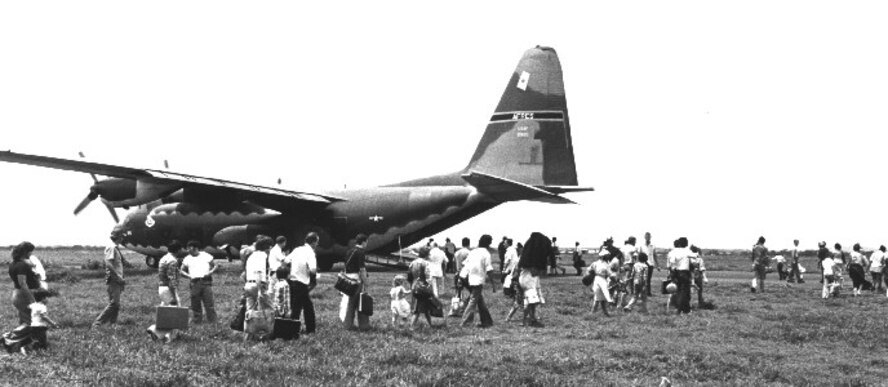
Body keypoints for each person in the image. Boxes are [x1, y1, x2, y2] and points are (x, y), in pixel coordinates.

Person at [285, 232, 319, 334]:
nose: (317, 245)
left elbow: (286, 260)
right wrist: (311, 274)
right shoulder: (311, 253)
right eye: (317, 242)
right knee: (302, 307)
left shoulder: (297, 249)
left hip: (292, 281)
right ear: (313, 243)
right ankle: (297, 330)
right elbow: (313, 269)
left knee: (302, 305)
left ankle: (300, 328)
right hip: (302, 282)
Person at [461, 234, 496, 328]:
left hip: (465, 277)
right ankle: (465, 322)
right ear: (489, 243)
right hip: (477, 280)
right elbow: (489, 270)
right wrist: (493, 284)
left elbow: (464, 264)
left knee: (479, 300)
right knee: (473, 300)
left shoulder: (473, 251)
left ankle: (487, 321)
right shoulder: (486, 253)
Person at [180, 240, 218, 323]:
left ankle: (213, 322)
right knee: (195, 304)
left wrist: (210, 272)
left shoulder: (206, 255)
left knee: (209, 304)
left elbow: (215, 265)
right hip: (194, 283)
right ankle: (197, 321)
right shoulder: (187, 258)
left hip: (206, 282)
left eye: (189, 248)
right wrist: (189, 276)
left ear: (195, 248)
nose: (187, 250)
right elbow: (181, 271)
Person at [93, 233, 126, 327]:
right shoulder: (112, 248)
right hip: (114, 279)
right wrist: (117, 277)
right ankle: (97, 323)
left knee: (116, 304)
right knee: (114, 303)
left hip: (117, 279)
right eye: (122, 237)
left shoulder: (115, 248)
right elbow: (108, 263)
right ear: (118, 237)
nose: (123, 238)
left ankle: (112, 324)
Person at [341, 234, 370, 331]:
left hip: (348, 279)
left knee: (350, 303)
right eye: (367, 242)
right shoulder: (360, 252)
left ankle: (348, 324)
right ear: (363, 242)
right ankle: (363, 325)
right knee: (361, 302)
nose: (367, 244)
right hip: (356, 280)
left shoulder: (350, 251)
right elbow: (362, 269)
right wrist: (366, 282)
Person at [9, 242, 39, 327]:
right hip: (23, 295)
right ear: (25, 252)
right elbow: (22, 283)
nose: (32, 253)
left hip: (18, 293)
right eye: (30, 251)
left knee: (24, 320)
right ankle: (11, 338)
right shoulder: (21, 265)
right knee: (30, 322)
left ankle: (21, 339)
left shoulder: (15, 263)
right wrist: (32, 299)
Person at [408, 247, 438, 328]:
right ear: (426, 254)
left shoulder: (413, 262)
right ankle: (412, 326)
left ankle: (430, 324)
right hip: (423, 287)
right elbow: (428, 277)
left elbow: (409, 275)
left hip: (414, 285)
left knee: (425, 306)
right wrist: (429, 286)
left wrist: (411, 284)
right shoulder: (426, 263)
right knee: (418, 309)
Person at [667, 237, 696, 314]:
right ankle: (680, 309)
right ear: (686, 244)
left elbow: (672, 262)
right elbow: (694, 260)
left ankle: (686, 309)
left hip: (676, 272)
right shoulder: (687, 251)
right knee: (684, 292)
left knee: (679, 291)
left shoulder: (674, 251)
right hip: (684, 273)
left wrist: (672, 273)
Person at [588, 248, 615, 317]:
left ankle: (601, 312)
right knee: (600, 297)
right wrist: (615, 279)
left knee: (599, 297)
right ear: (604, 256)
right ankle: (595, 312)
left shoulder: (595, 263)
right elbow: (610, 274)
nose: (608, 257)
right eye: (607, 255)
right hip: (602, 279)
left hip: (596, 279)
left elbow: (589, 270)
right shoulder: (606, 265)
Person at [502, 238, 523, 323]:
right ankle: (508, 317)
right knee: (519, 300)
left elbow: (508, 262)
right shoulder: (519, 258)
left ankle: (532, 317)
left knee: (524, 300)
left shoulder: (513, 253)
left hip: (517, 279)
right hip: (519, 280)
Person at [158, 241, 184, 307]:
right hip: (168, 290)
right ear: (178, 250)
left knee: (164, 313)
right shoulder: (172, 261)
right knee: (176, 311)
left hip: (162, 288)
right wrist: (174, 296)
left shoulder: (164, 258)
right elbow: (171, 280)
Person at [639, 232, 659, 297]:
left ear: (650, 237)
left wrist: (657, 265)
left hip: (650, 264)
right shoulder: (641, 245)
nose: (647, 238)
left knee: (648, 279)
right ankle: (641, 292)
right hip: (643, 264)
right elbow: (639, 255)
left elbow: (655, 255)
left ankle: (648, 292)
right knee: (642, 278)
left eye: (649, 236)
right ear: (644, 237)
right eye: (646, 236)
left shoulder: (653, 246)